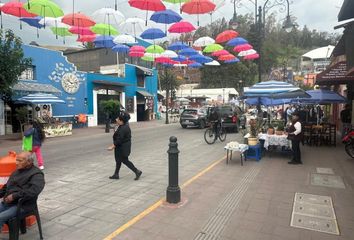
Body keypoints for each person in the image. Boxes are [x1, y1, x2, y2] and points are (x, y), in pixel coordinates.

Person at [0, 152, 45, 231]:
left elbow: (33, 191)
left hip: (23, 205)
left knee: (0, 217)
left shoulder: (36, 174)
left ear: (29, 162)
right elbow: (6, 187)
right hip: (8, 203)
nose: (16, 163)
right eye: (16, 160)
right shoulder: (16, 172)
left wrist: (14, 196)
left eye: (20, 161)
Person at [107, 112, 142, 180]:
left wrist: (112, 146)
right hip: (121, 146)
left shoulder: (124, 128)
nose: (116, 119)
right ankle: (116, 174)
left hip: (123, 147)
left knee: (125, 160)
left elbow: (119, 139)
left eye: (118, 119)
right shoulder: (123, 125)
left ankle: (137, 171)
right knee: (118, 160)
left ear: (121, 121)